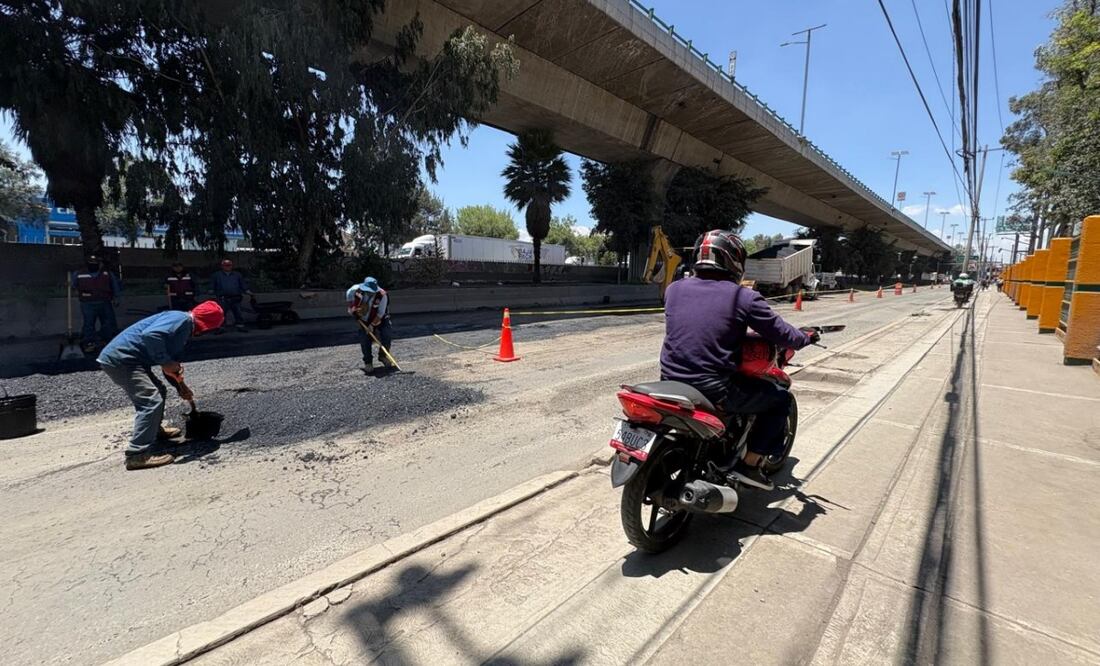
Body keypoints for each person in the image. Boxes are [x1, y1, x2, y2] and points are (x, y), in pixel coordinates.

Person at [659, 230, 817, 489]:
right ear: (733, 260)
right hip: (714, 388)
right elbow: (783, 334)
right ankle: (751, 465)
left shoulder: (674, 289)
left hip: (669, 381)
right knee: (780, 399)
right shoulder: (742, 297)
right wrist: (805, 337)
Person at [97, 301, 224, 470]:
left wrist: (181, 387)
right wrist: (165, 361)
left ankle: (154, 430)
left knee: (159, 391)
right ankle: (137, 454)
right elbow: (151, 335)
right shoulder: (181, 319)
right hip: (122, 360)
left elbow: (170, 368)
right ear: (206, 324)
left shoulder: (183, 329)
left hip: (132, 361)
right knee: (151, 400)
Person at [72, 254, 121, 352]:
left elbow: (115, 286)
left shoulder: (107, 274)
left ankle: (107, 342)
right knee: (89, 323)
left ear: (99, 264)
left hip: (104, 302)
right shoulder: (79, 274)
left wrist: (116, 298)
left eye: (95, 263)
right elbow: (74, 287)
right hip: (87, 303)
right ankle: (89, 343)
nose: (93, 265)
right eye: (91, 263)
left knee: (107, 323)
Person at [346, 276, 394, 373]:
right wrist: (352, 310)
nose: (370, 292)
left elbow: (380, 313)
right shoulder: (355, 290)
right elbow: (350, 303)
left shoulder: (382, 295)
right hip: (364, 320)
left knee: (387, 334)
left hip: (380, 318)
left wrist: (372, 325)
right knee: (364, 339)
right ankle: (368, 362)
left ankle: (383, 356)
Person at [210, 259, 252, 332]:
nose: (227, 266)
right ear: (222, 266)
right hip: (222, 298)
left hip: (236, 298)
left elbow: (243, 285)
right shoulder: (216, 275)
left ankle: (240, 326)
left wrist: (248, 292)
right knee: (221, 314)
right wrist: (211, 292)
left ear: (232, 266)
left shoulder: (237, 275)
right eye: (225, 265)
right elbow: (212, 286)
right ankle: (221, 328)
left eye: (229, 265)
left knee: (238, 313)